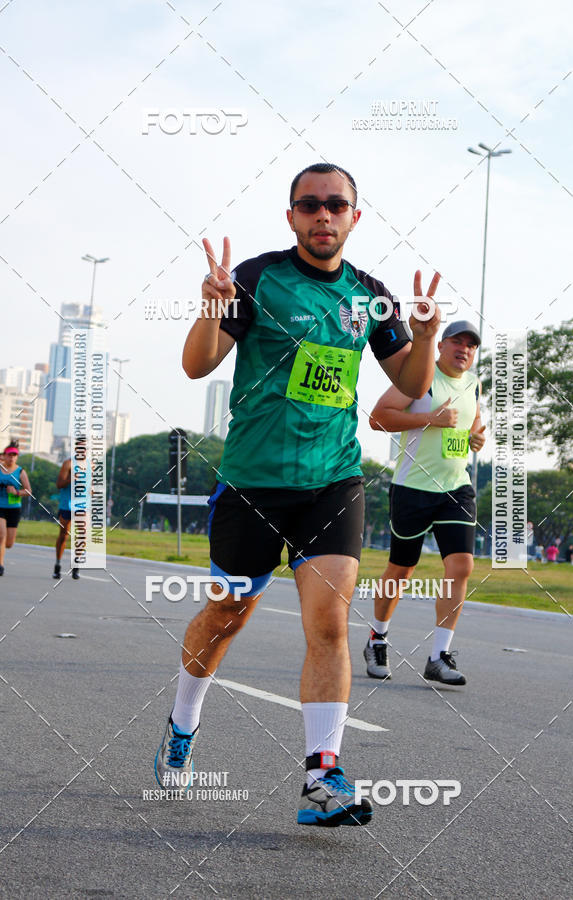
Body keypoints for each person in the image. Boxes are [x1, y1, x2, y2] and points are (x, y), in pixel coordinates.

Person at [154, 162, 442, 827]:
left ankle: (323, 775)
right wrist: (210, 307)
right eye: (308, 205)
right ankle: (181, 726)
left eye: (335, 204)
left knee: (328, 622)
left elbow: (414, 381)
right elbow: (198, 364)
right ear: (291, 216)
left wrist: (424, 339)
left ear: (353, 217)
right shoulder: (256, 278)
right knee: (227, 617)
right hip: (253, 482)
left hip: (333, 484)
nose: (322, 215)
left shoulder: (370, 297)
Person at [364, 321, 485, 686]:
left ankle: (438, 656)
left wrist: (476, 438)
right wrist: (428, 420)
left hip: (455, 488)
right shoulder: (421, 377)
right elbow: (378, 418)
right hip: (413, 488)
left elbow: (473, 422)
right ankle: (377, 638)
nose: (464, 349)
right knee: (401, 571)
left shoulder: (473, 383)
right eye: (457, 342)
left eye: (470, 345)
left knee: (461, 566)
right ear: (441, 345)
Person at [0, 441, 32, 576]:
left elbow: (28, 491)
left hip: (14, 508)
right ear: (4, 456)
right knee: (1, 535)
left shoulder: (21, 472)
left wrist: (17, 492)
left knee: (9, 543)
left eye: (14, 455)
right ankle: (0, 565)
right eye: (9, 455)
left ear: (17, 457)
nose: (11, 458)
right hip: (0, 506)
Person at [53, 457, 79, 580]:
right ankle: (58, 564)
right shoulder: (68, 464)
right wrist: (70, 479)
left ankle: (76, 565)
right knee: (63, 535)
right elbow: (59, 484)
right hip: (67, 504)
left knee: (82, 535)